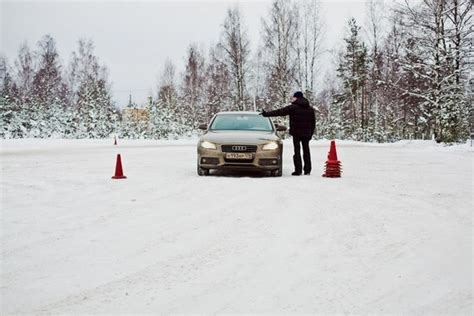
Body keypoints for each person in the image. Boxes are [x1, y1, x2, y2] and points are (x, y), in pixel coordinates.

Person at [261, 91, 316, 176]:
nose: (292, 98)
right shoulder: (310, 109)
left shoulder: (293, 107)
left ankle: (298, 171)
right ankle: (307, 170)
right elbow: (313, 123)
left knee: (297, 151)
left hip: (296, 133)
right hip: (306, 134)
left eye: (293, 97)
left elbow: (280, 112)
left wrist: (266, 114)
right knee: (306, 151)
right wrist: (310, 134)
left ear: (296, 98)